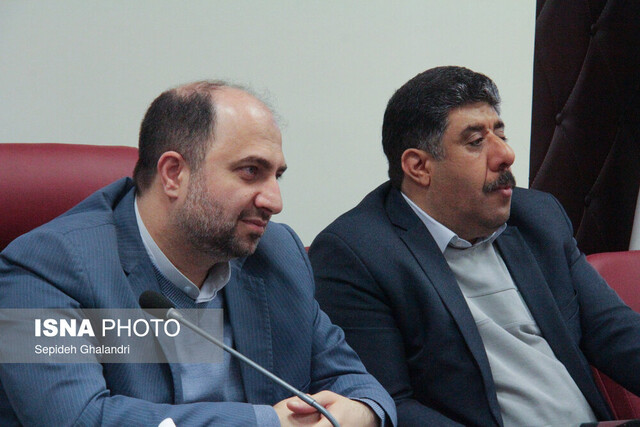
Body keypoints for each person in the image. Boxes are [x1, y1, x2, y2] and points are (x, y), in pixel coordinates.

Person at [0, 81, 396, 426]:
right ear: (174, 174)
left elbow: (355, 383)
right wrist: (267, 423)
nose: (275, 201)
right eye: (251, 171)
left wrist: (363, 411)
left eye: (277, 176)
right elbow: (81, 419)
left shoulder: (277, 254)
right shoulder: (44, 268)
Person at [309, 66, 640, 426]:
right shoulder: (357, 253)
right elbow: (388, 404)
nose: (505, 154)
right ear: (419, 166)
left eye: (501, 134)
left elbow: (613, 331)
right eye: (476, 142)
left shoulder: (537, 218)